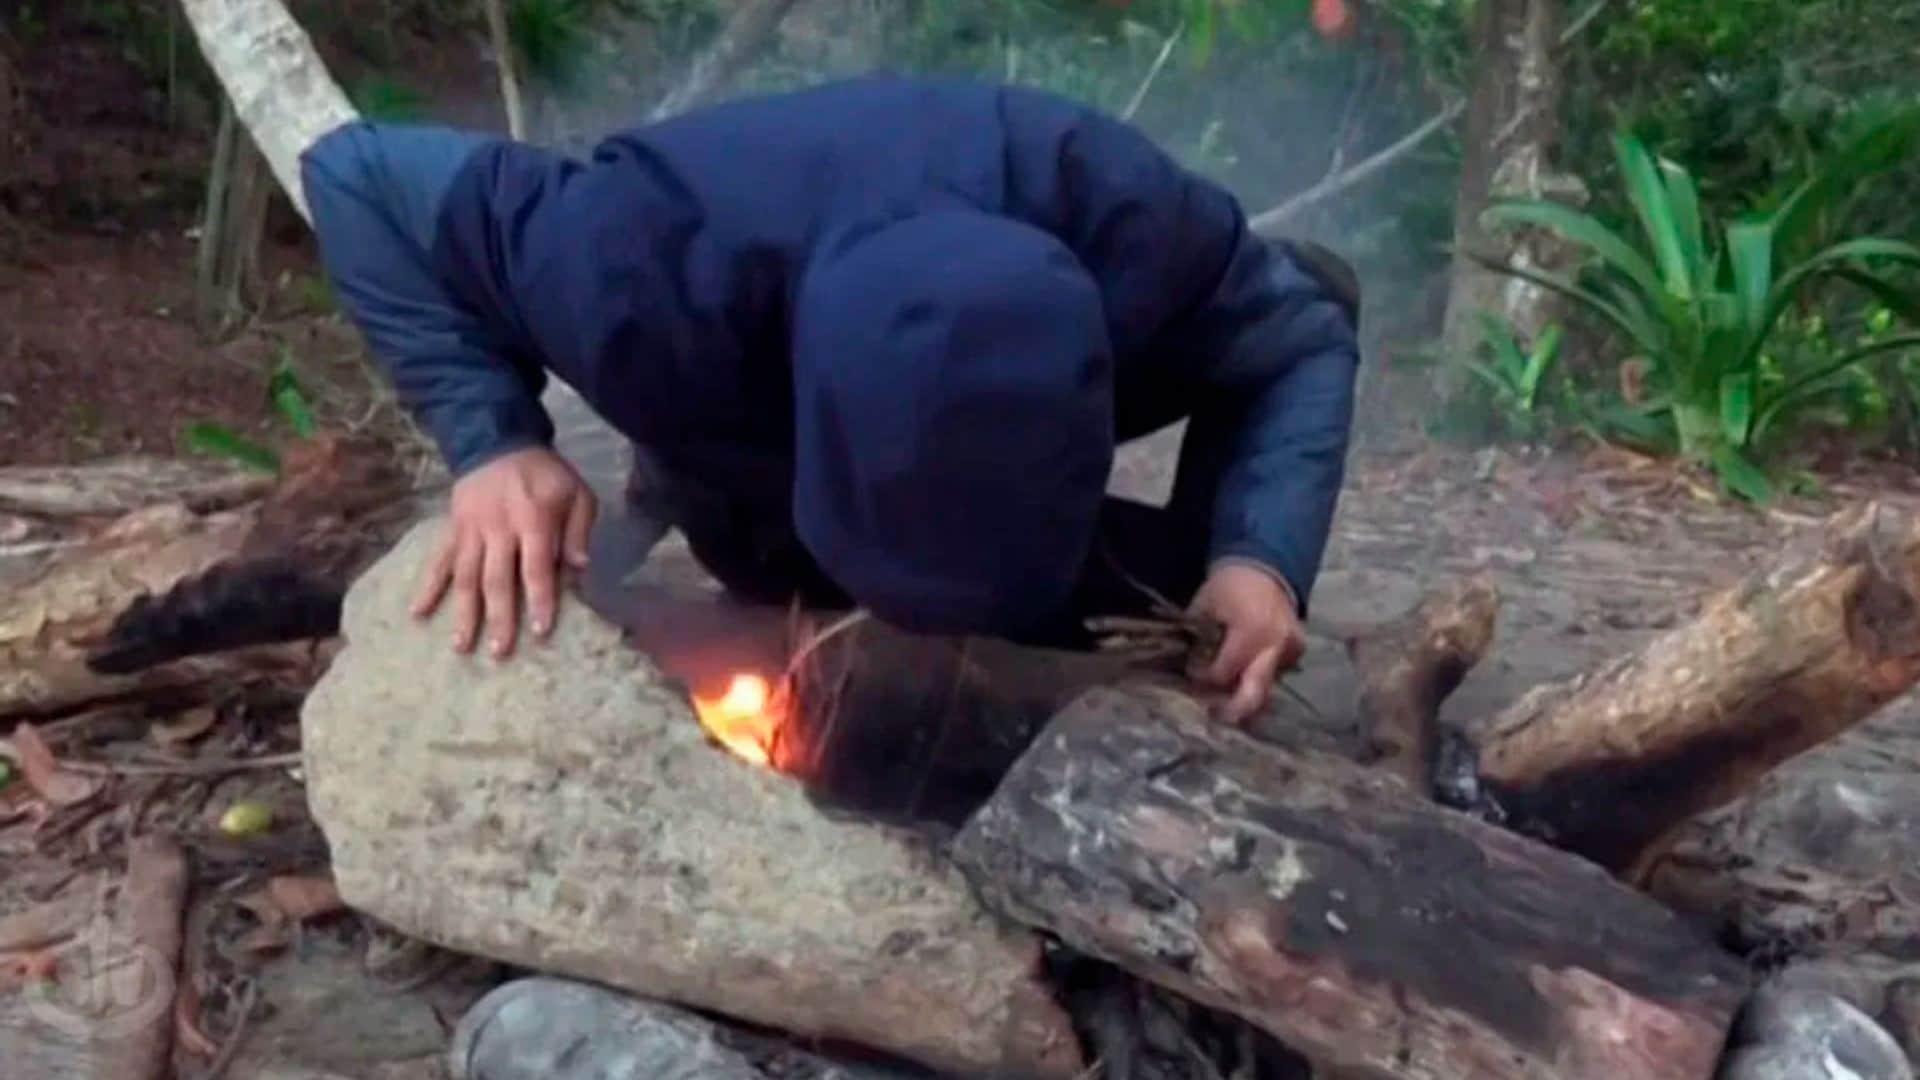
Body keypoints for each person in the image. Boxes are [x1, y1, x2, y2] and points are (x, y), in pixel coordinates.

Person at [300, 73, 1360, 725]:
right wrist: (492, 443)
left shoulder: (1137, 233)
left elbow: (1305, 336)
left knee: (1210, 567)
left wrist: (1257, 560)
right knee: (758, 576)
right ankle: (752, 522)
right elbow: (355, 175)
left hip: (1027, 275)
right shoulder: (635, 271)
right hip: (741, 380)